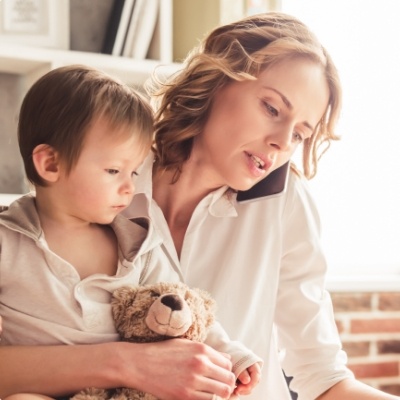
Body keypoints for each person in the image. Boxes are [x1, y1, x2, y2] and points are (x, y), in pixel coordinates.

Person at [1, 12, 398, 400]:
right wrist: (124, 363)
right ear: (216, 81)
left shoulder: (284, 204)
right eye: (272, 109)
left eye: (299, 134)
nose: (282, 142)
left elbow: (324, 377)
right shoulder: (102, 177)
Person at [0, 65, 261, 400]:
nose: (129, 187)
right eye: (113, 170)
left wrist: (234, 357)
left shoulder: (139, 243)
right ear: (50, 164)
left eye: (134, 171)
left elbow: (186, 306)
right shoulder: (8, 242)